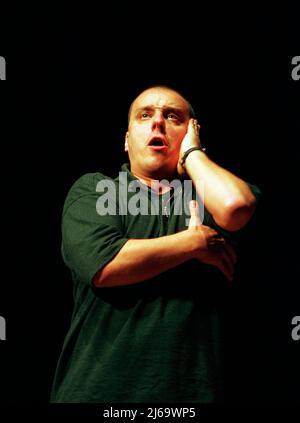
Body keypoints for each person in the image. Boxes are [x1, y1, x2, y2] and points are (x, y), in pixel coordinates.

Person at [50, 85, 261, 403]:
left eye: (173, 116)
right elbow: (106, 265)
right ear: (126, 139)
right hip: (96, 393)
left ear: (193, 133)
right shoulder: (95, 189)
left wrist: (192, 154)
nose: (158, 122)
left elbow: (235, 206)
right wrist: (193, 242)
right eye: (145, 115)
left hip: (192, 395)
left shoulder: (211, 197)